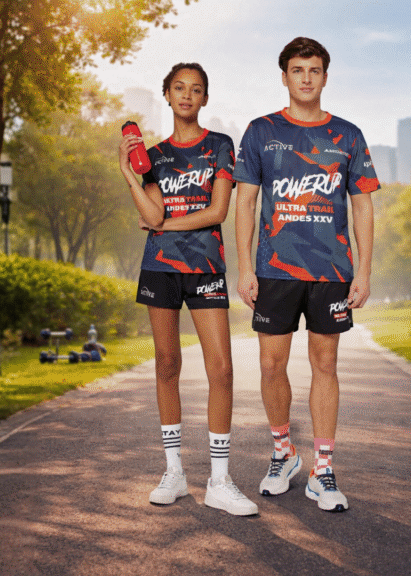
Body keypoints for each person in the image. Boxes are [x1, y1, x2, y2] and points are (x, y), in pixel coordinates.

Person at [233, 37, 378, 512]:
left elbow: (362, 206)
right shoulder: (260, 132)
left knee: (326, 365)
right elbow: (246, 203)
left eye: (314, 70)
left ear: (325, 76)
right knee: (271, 365)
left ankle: (323, 469)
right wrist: (245, 266)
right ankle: (283, 452)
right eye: (298, 70)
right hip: (274, 269)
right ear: (285, 76)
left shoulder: (349, 136)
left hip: (331, 270)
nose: (306, 78)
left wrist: (363, 269)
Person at [119, 62, 258, 516]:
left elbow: (217, 211)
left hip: (205, 266)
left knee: (221, 367)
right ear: (167, 95)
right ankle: (174, 473)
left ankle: (219, 479)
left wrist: (165, 224)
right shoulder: (153, 157)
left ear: (204, 99)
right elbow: (149, 211)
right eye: (179, 88)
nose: (186, 95)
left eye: (196, 89)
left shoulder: (220, 145)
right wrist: (127, 172)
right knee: (166, 363)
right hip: (160, 267)